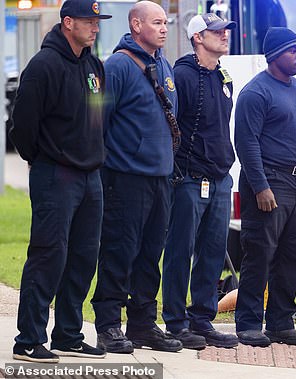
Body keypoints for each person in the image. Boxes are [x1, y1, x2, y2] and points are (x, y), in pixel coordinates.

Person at [8, 0, 111, 363]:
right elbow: (22, 127)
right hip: (56, 174)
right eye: (89, 21)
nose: (95, 27)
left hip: (91, 176)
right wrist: (45, 159)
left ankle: (68, 334)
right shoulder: (44, 66)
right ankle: (29, 340)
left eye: (97, 21)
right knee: (49, 255)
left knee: (84, 257)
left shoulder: (94, 65)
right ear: (68, 22)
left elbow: (101, 119)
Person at [91, 0, 182, 354]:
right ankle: (108, 325)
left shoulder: (163, 65)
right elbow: (97, 121)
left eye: (165, 23)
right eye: (157, 22)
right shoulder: (117, 66)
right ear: (135, 25)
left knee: (149, 255)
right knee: (119, 251)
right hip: (125, 177)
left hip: (160, 178)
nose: (164, 28)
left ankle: (143, 324)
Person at [234, 27, 296, 347]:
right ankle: (248, 323)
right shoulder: (255, 93)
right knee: (260, 253)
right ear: (274, 55)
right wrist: (260, 186)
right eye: (293, 51)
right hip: (272, 181)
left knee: (295, 254)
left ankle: (280, 323)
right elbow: (246, 143)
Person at [161, 13, 239, 350]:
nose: (224, 35)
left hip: (220, 178)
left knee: (213, 252)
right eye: (216, 31)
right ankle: (176, 322)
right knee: (180, 251)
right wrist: (177, 171)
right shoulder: (181, 75)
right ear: (197, 37)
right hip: (190, 179)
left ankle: (202, 319)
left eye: (225, 31)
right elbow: (171, 127)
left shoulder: (224, 75)